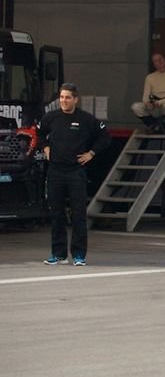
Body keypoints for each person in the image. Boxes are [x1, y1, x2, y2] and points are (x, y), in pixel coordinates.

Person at [37, 82, 111, 266]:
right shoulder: (51, 118)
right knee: (56, 213)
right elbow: (38, 133)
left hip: (75, 172)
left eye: (68, 97)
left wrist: (91, 153)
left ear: (75, 99)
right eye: (61, 97)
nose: (64, 101)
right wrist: (45, 147)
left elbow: (105, 136)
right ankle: (58, 254)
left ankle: (79, 255)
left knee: (78, 214)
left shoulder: (86, 119)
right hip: (55, 171)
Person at [131, 52, 165, 132]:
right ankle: (153, 124)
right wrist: (148, 103)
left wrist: (159, 102)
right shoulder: (150, 77)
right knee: (135, 107)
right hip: (154, 105)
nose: (159, 62)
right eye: (156, 61)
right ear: (154, 64)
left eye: (160, 59)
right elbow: (145, 96)